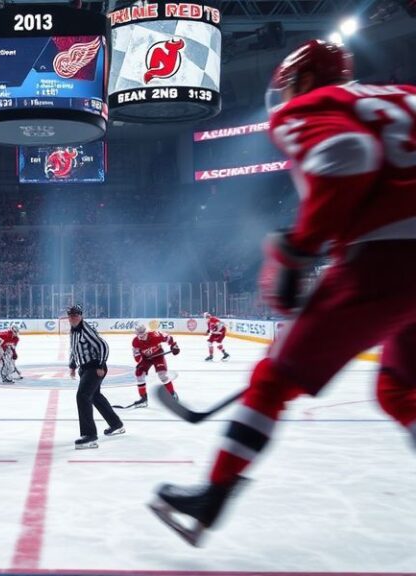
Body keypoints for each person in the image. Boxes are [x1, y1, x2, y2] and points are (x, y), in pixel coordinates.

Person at [150, 39, 416, 546]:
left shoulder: (317, 105)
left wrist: (296, 250)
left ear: (304, 81)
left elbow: (346, 152)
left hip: (391, 257)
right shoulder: (402, 94)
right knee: (400, 388)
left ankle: (215, 492)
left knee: (272, 381)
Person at [67, 304, 124, 449]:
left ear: (81, 316)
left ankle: (89, 436)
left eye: (76, 315)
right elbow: (74, 349)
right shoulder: (73, 331)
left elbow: (103, 345)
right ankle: (116, 424)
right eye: (71, 315)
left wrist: (100, 364)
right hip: (85, 368)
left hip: (95, 367)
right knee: (95, 396)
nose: (73, 318)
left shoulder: (86, 329)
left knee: (83, 395)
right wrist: (73, 366)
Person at [121, 323, 180, 409]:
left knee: (162, 375)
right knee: (139, 374)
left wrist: (174, 346)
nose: (141, 337)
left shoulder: (155, 335)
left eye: (143, 334)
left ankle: (172, 393)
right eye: (139, 335)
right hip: (146, 358)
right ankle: (143, 399)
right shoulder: (135, 342)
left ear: (147, 332)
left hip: (158, 355)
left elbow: (168, 338)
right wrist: (141, 361)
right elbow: (137, 357)